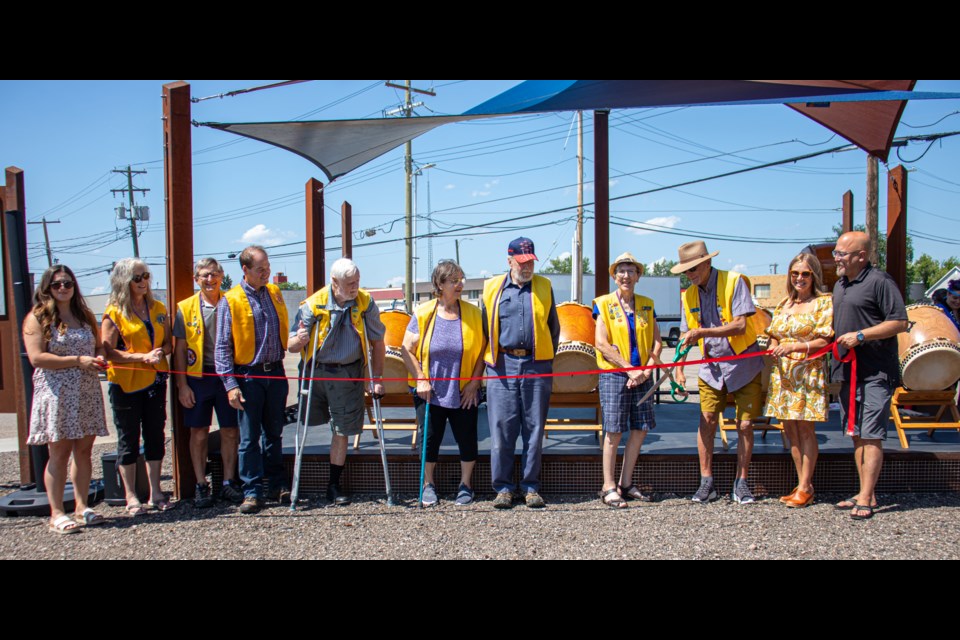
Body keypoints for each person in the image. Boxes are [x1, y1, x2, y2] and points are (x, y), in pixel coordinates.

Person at [287, 258, 386, 506]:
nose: (354, 287)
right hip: (316, 372)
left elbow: (377, 342)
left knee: (342, 430)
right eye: (349, 283)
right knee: (308, 426)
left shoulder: (365, 302)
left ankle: (333, 484)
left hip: (348, 373)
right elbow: (290, 346)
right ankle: (296, 485)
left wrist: (375, 378)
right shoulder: (312, 305)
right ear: (334, 282)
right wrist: (298, 340)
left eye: (357, 282)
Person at [672, 240, 763, 505]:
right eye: (686, 271)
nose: (690, 275)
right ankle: (706, 482)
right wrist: (678, 370)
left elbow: (739, 325)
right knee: (707, 420)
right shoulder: (688, 296)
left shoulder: (734, 282)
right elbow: (685, 337)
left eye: (694, 268)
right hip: (711, 367)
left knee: (745, 424)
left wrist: (702, 332)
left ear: (708, 262)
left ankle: (742, 482)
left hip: (743, 362)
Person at [24, 265, 109, 533]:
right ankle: (57, 512)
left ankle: (82, 507)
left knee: (83, 451)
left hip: (86, 389)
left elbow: (96, 346)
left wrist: (98, 358)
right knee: (58, 452)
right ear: (47, 288)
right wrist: (77, 360)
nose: (63, 288)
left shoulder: (83, 315)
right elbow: (37, 357)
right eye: (57, 284)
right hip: (57, 391)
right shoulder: (37, 318)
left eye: (68, 283)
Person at [831, 231, 908, 520]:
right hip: (848, 371)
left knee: (872, 434)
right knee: (856, 434)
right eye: (837, 253)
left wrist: (861, 335)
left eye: (842, 253)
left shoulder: (880, 282)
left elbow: (900, 322)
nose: (837, 258)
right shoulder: (841, 285)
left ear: (861, 256)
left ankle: (865, 496)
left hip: (876, 371)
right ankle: (866, 491)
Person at [481, 237, 560, 509]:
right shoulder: (491, 288)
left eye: (531, 263)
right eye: (522, 262)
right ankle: (503, 488)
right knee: (501, 430)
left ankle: (530, 487)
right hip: (501, 365)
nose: (527, 268)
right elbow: (483, 329)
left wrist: (544, 361)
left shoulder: (545, 287)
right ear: (509, 260)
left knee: (534, 429)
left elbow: (554, 329)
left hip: (536, 365)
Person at [400, 260, 486, 506]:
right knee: (430, 438)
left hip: (464, 391)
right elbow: (406, 349)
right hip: (430, 392)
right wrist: (421, 379)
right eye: (454, 280)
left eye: (461, 279)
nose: (460, 284)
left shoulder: (473, 314)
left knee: (467, 438)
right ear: (439, 284)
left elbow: (483, 351)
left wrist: (474, 383)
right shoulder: (424, 313)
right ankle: (428, 484)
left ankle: (466, 485)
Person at [215, 246, 290, 514]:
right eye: (260, 269)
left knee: (274, 433)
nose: (266, 273)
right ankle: (252, 491)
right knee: (249, 437)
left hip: (277, 373)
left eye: (267, 267)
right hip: (248, 376)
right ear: (245, 270)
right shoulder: (230, 300)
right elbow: (222, 347)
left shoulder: (275, 293)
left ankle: (276, 484)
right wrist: (230, 385)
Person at [102, 258, 173, 515]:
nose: (144, 282)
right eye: (137, 278)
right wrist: (139, 357)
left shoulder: (158, 308)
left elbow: (168, 344)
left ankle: (156, 490)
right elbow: (107, 351)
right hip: (126, 384)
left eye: (146, 276)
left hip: (155, 380)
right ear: (124, 281)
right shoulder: (114, 312)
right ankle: (131, 495)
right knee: (129, 439)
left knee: (155, 434)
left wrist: (159, 352)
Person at [763, 253, 834, 508]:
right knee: (790, 431)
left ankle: (805, 485)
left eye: (805, 273)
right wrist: (773, 346)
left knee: (805, 429)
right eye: (795, 273)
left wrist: (794, 346)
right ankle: (802, 482)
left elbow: (824, 340)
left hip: (808, 373)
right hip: (783, 376)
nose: (799, 278)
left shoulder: (824, 303)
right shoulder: (784, 304)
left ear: (813, 275)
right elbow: (773, 334)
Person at [173, 258, 243, 508]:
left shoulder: (231, 302)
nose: (210, 279)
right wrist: (182, 385)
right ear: (196, 279)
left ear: (222, 275)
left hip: (226, 376)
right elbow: (179, 350)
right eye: (204, 275)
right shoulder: (185, 307)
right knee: (199, 432)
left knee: (230, 430)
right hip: (197, 378)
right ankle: (201, 484)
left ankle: (228, 482)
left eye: (214, 274)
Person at [593, 252, 661, 508]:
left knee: (640, 428)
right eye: (621, 271)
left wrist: (646, 369)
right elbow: (601, 343)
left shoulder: (647, 304)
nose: (626, 276)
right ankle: (608, 486)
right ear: (614, 275)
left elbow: (656, 341)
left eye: (631, 271)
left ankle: (626, 482)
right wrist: (630, 369)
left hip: (642, 374)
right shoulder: (603, 303)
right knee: (613, 430)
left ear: (638, 276)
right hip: (614, 373)